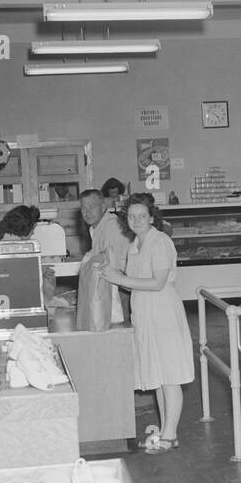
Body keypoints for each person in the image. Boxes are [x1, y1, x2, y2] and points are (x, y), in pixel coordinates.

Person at [99, 193, 195, 453]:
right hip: (145, 314)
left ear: (152, 217)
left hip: (163, 313)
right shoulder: (135, 244)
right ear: (125, 219)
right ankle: (165, 430)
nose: (137, 220)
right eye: (132, 216)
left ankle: (170, 435)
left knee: (170, 376)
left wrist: (120, 279)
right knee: (158, 375)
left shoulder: (160, 242)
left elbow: (158, 282)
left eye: (143, 216)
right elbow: (134, 277)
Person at [79, 188, 131, 324]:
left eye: (92, 206)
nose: (87, 212)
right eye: (83, 207)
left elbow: (120, 266)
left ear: (103, 207)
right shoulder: (96, 227)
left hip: (120, 290)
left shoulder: (112, 226)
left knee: (119, 331)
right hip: (110, 286)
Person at [0, 204, 57, 304]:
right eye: (33, 229)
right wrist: (39, 271)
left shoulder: (13, 245)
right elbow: (14, 278)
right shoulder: (10, 248)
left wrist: (40, 271)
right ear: (24, 228)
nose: (33, 233)